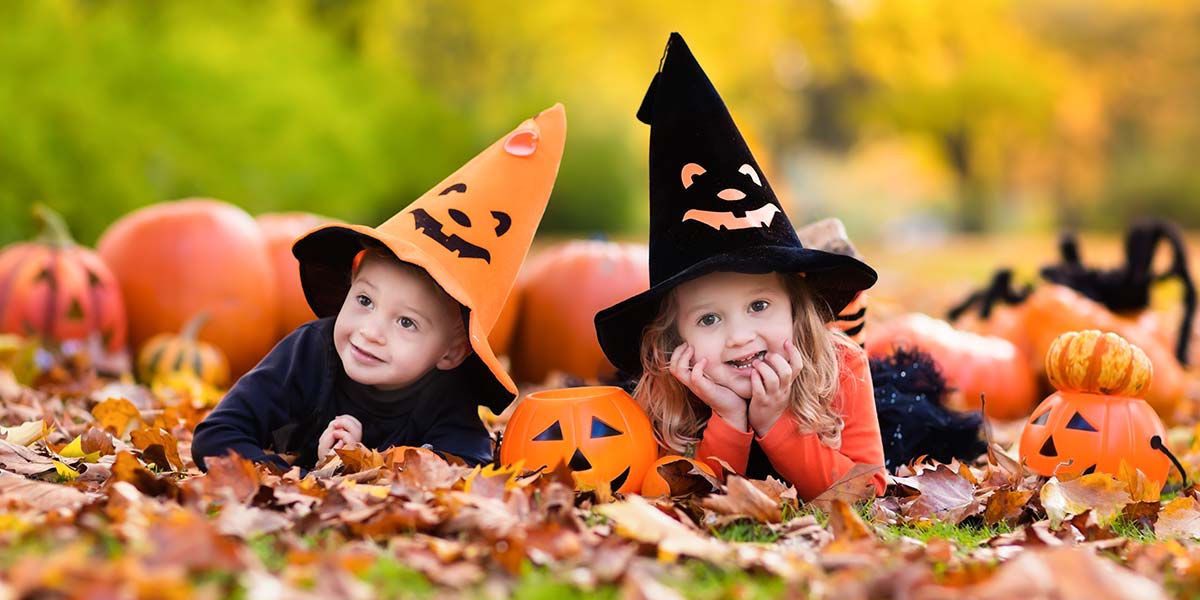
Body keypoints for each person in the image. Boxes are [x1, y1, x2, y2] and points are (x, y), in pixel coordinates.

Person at [192, 104, 567, 472]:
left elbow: (467, 466)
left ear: (451, 351)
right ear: (350, 285)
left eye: (406, 323)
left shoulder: (446, 394)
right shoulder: (306, 355)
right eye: (365, 300)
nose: (370, 332)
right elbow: (216, 435)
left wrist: (369, 462)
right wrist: (295, 477)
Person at [594, 34, 885, 500]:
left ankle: (846, 297)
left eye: (759, 305)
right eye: (709, 318)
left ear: (794, 303)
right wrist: (729, 419)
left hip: (828, 367)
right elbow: (692, 496)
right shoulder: (670, 389)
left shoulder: (844, 365)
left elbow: (866, 490)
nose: (739, 337)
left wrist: (776, 423)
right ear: (675, 339)